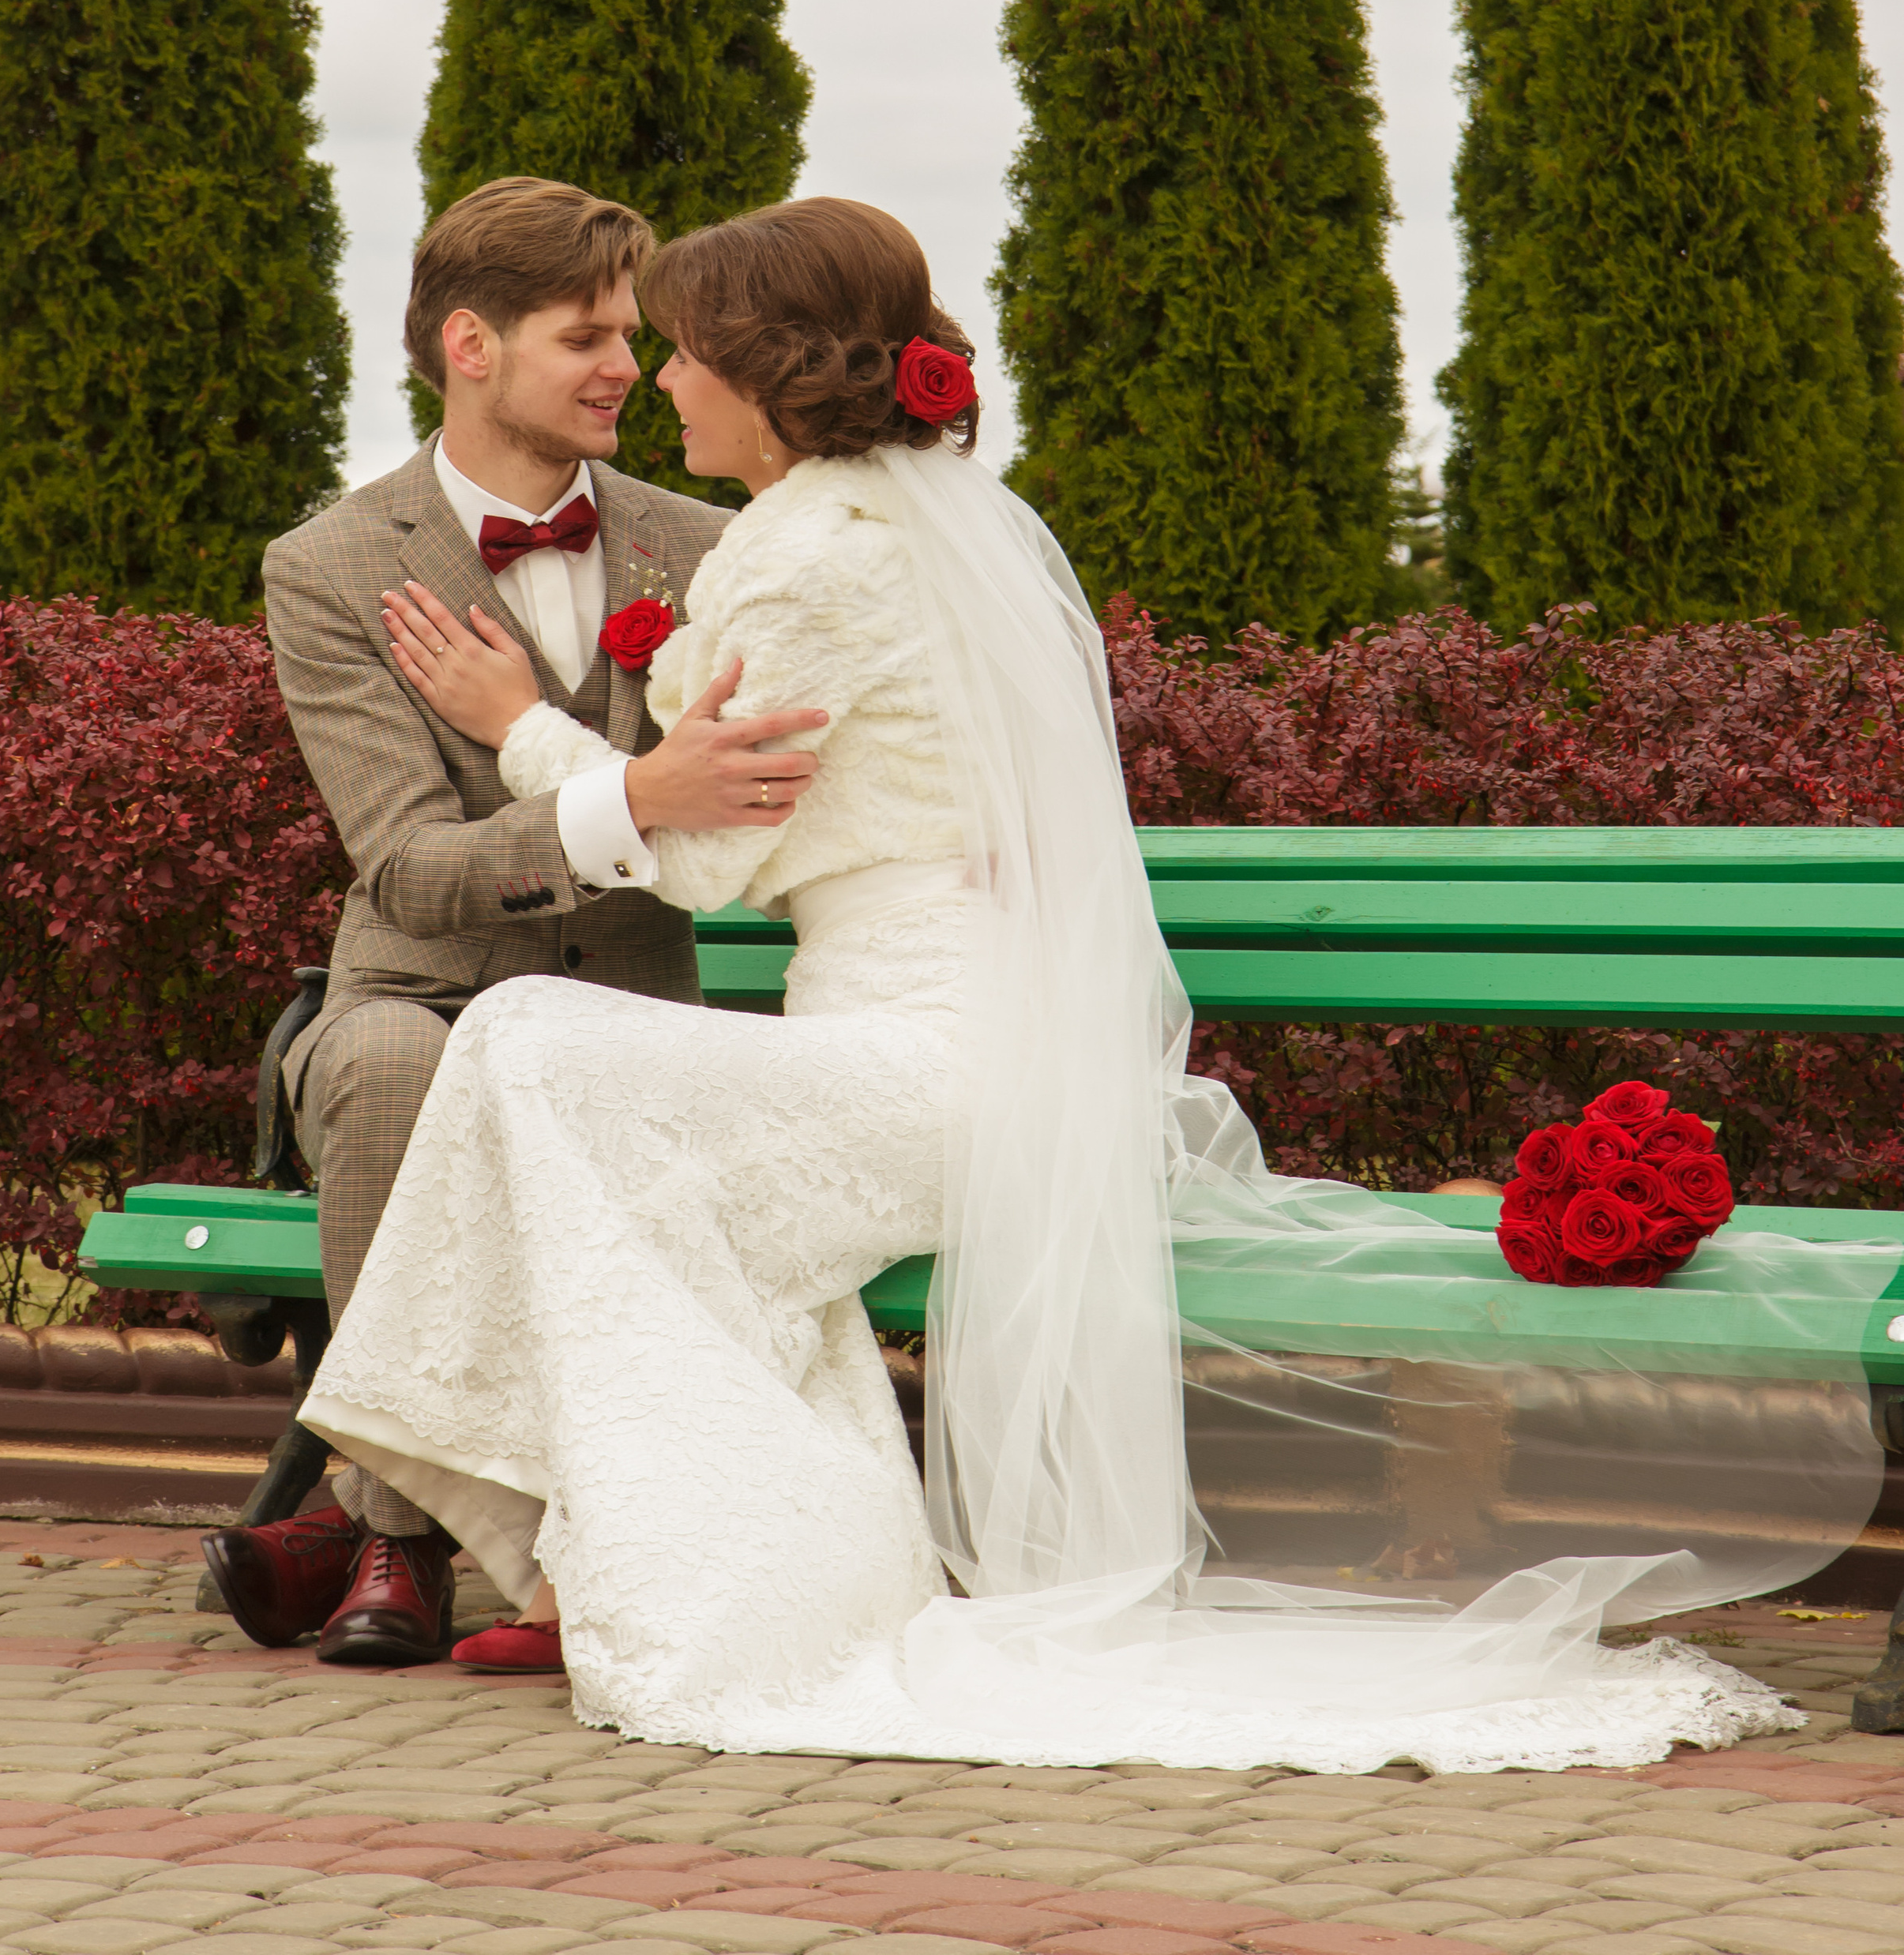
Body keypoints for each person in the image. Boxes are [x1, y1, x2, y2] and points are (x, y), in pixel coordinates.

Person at [302, 196, 1895, 1769]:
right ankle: (580, 1532)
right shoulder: (881, 530)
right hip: (971, 1047)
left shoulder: (802, 566)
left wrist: (527, 728)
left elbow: (710, 867)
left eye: (687, 352)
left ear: (771, 372)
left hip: (926, 1065)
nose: (659, 384)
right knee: (623, 1164)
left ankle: (522, 1517)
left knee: (524, 1047)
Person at [201, 177, 828, 1668]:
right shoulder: (333, 566)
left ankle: (365, 1529)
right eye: (587, 336)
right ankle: (405, 1542)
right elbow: (410, 870)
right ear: (469, 345)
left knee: (587, 1100)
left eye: (630, 334)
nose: (628, 364)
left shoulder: (704, 539)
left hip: (626, 1010)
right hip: (418, 994)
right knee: (389, 1072)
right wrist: (638, 792)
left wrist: (645, 785)